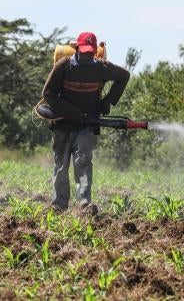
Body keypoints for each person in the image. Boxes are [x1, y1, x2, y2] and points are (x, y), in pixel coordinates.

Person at [42, 32, 130, 212]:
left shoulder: (101, 68)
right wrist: (73, 112)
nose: (87, 56)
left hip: (86, 126)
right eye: (84, 52)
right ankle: (58, 205)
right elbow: (48, 94)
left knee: (83, 162)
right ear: (76, 49)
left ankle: (84, 204)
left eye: (91, 52)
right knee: (61, 166)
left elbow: (124, 76)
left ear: (94, 52)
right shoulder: (63, 66)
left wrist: (108, 101)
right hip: (62, 124)